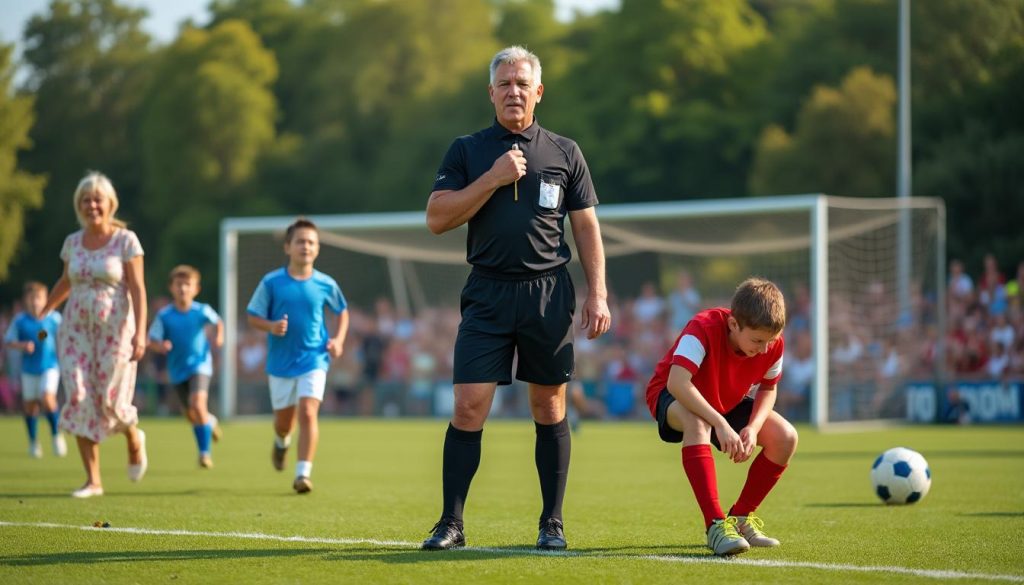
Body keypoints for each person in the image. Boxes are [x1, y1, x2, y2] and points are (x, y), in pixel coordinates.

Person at [422, 45, 611, 551]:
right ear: (491, 92)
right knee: (468, 405)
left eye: (522, 83)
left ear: (539, 92)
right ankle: (451, 523)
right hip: (486, 292)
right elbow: (437, 218)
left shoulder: (564, 151)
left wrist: (599, 293)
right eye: (504, 84)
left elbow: (586, 226)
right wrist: (493, 177)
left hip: (549, 293)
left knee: (548, 405)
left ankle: (552, 522)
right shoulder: (467, 150)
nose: (513, 91)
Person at [644, 277, 797, 556]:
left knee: (786, 438)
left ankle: (740, 519)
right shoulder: (702, 327)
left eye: (770, 341)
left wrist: (753, 426)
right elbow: (677, 383)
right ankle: (715, 524)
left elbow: (768, 388)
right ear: (733, 325)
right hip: (672, 394)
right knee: (697, 422)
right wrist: (720, 422)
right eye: (757, 341)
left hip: (725, 399)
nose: (764, 349)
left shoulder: (771, 341)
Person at [41, 171, 149, 498]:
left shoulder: (126, 241)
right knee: (78, 396)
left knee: (111, 400)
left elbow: (138, 288)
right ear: (79, 206)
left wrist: (140, 333)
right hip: (75, 330)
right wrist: (44, 311)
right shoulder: (72, 242)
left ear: (110, 203)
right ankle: (93, 480)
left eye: (97, 199)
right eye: (85, 200)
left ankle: (133, 436)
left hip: (116, 330)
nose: (92, 206)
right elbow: (66, 281)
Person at [246, 218, 349, 494]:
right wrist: (271, 326)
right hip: (280, 364)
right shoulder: (271, 282)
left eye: (311, 242)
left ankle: (302, 474)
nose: (306, 246)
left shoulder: (326, 284)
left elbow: (342, 312)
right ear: (287, 247)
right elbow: (253, 316)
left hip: (314, 358)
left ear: (317, 249)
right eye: (300, 241)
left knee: (307, 411)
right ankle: (281, 443)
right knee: (283, 424)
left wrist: (338, 339)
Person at [147, 265, 224, 469]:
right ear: (171, 288)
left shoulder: (201, 310)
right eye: (178, 284)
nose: (183, 289)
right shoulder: (164, 315)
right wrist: (160, 345)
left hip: (200, 365)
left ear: (195, 289)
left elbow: (218, 322)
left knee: (198, 405)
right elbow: (151, 339)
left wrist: (219, 336)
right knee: (191, 415)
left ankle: (204, 453)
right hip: (177, 370)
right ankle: (210, 422)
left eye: (187, 285)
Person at [3, 281, 66, 458]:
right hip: (28, 369)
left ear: (46, 299)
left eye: (38, 298)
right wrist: (22, 345)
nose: (35, 302)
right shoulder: (20, 321)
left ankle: (56, 436)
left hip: (50, 367)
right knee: (30, 407)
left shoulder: (53, 318)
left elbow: (66, 336)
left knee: (47, 398)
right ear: (26, 300)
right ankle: (33, 442)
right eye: (31, 298)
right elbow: (8, 341)